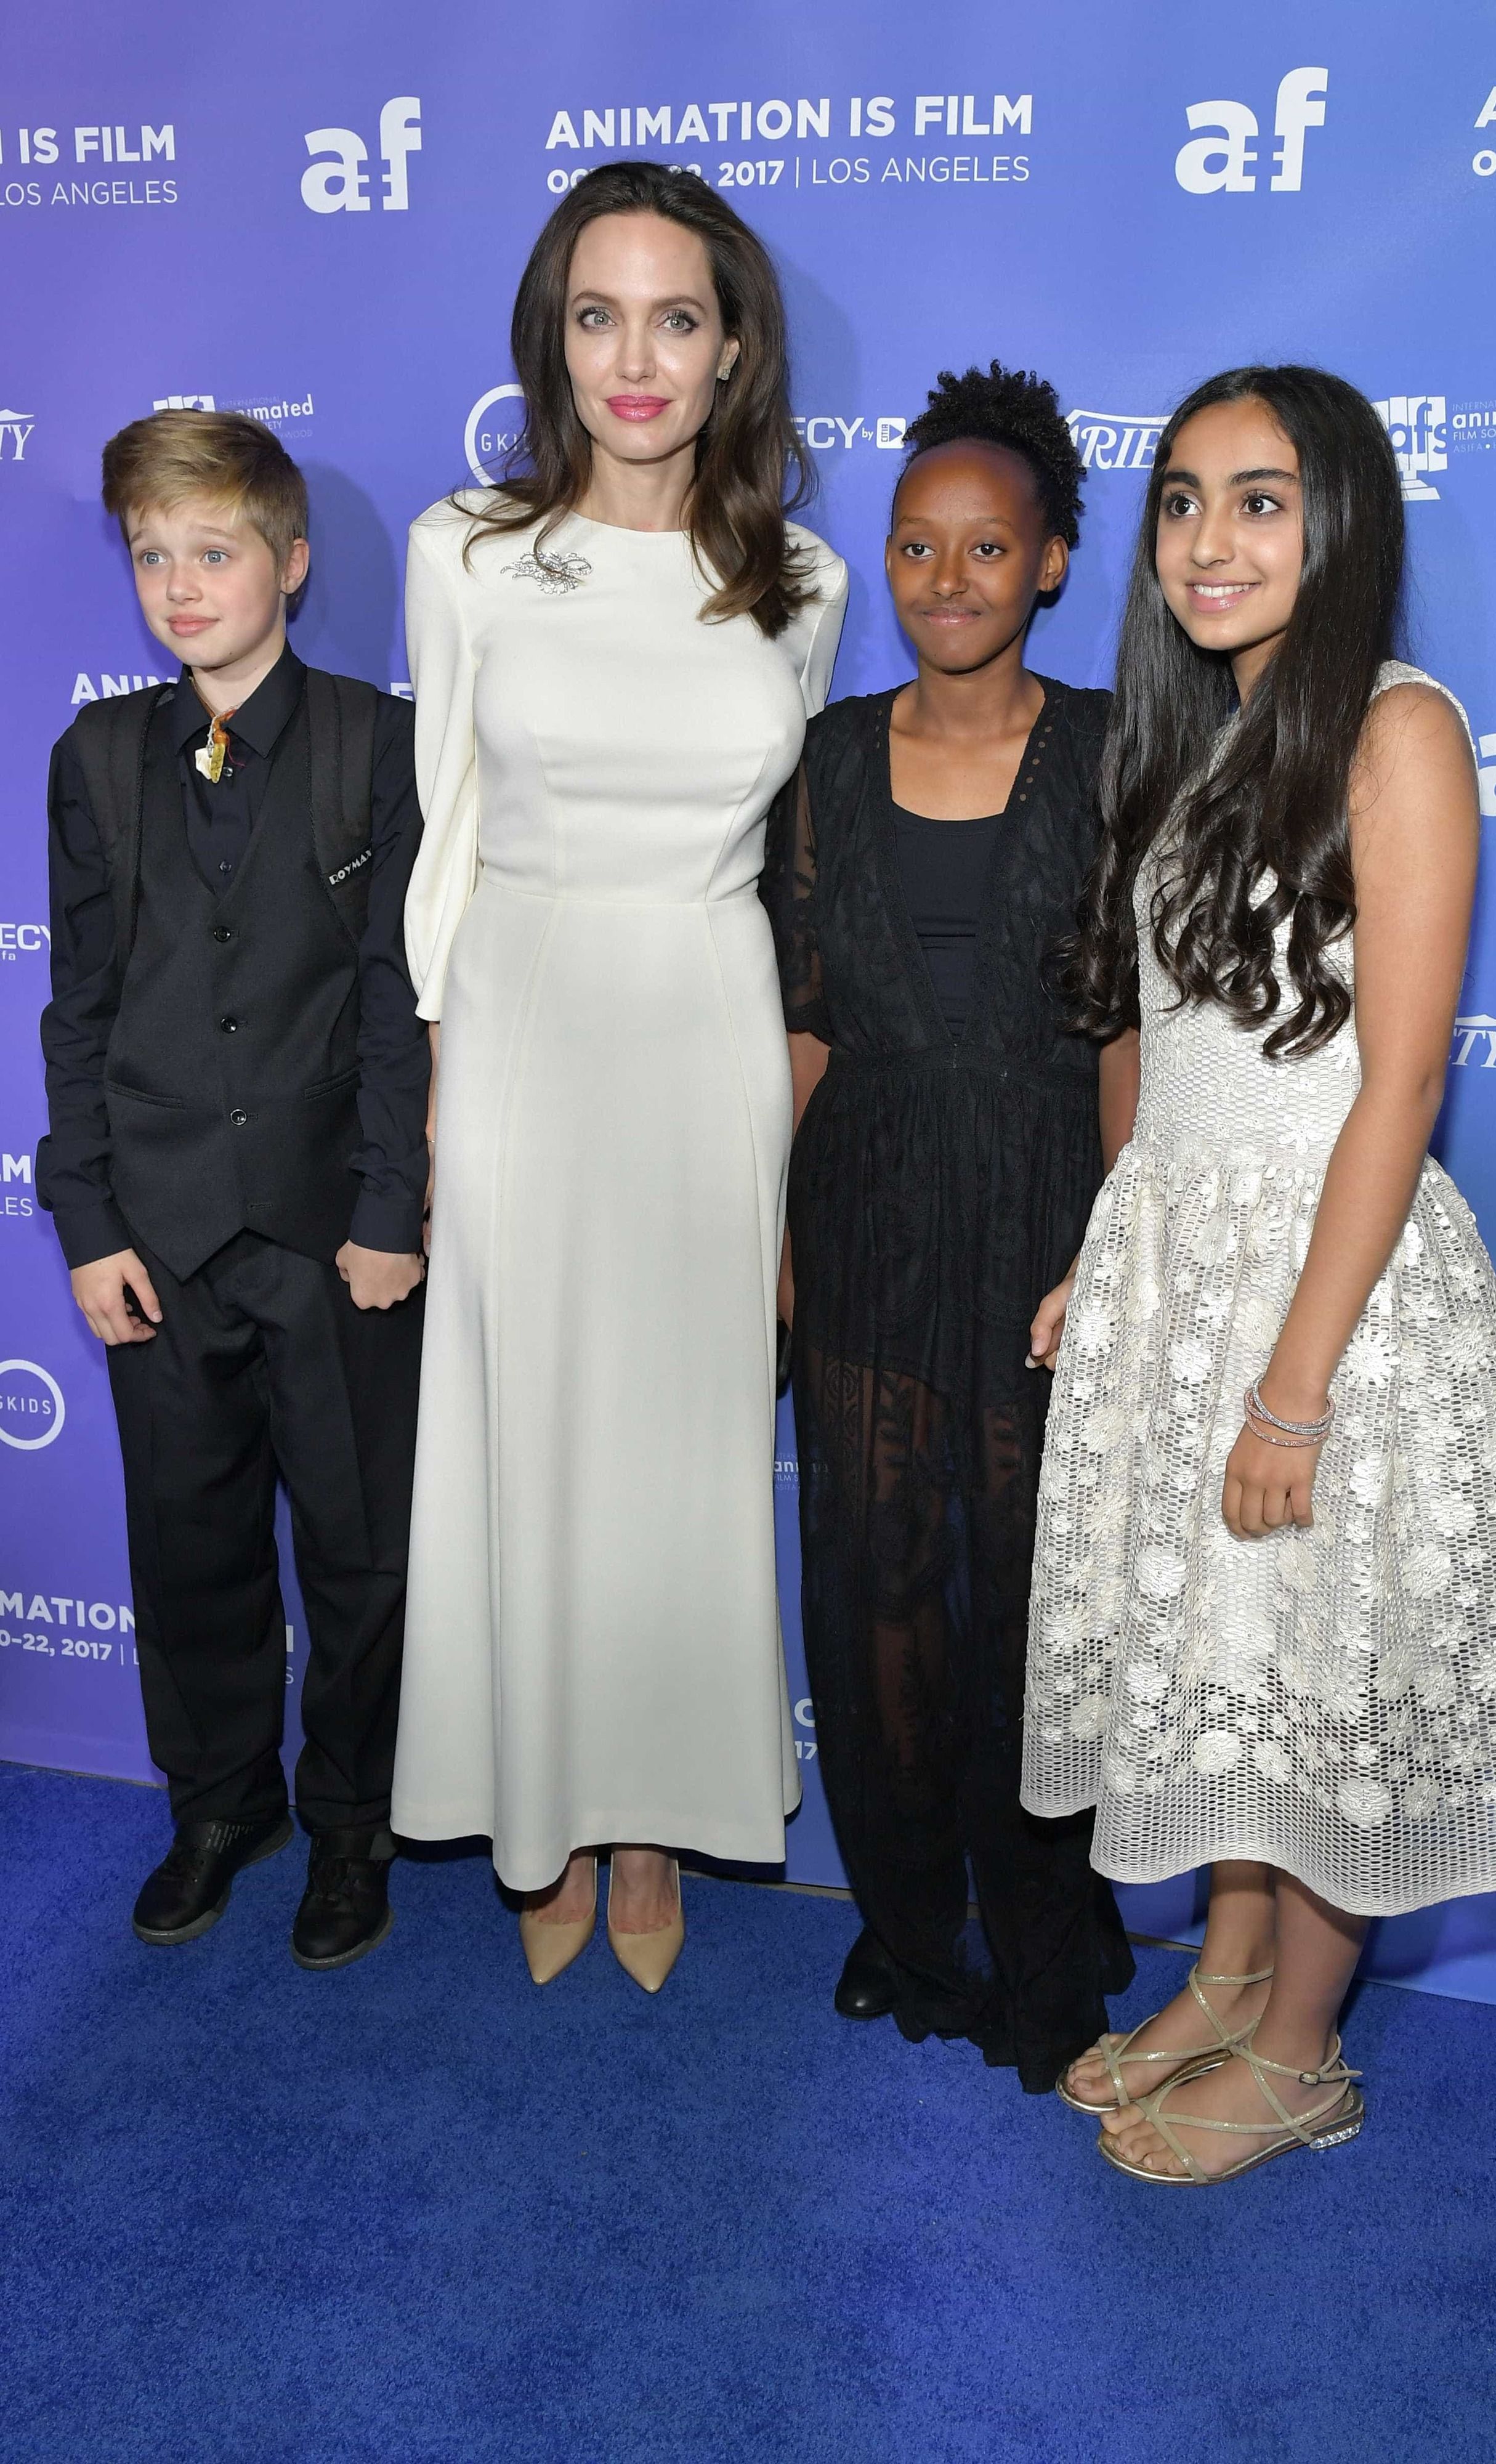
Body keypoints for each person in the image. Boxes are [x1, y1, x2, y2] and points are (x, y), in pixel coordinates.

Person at [1022, 365, 1496, 2180]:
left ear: (1342, 522)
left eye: (1260, 498)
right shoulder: (1186, 737)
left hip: (1333, 1285)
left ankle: (1308, 2047)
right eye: (1181, 499)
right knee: (1228, 1654)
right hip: (1190, 1268)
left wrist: (1290, 1385)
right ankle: (1231, 1975)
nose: (1211, 538)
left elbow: (1398, 1081)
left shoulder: (1395, 728)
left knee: (1324, 1667)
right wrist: (1120, 1266)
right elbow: (1145, 1034)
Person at [390, 163, 846, 1992]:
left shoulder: (799, 579)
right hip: (517, 1018)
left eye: (676, 318)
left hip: (705, 1025)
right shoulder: (464, 553)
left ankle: (652, 1819)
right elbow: (446, 829)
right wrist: (433, 1086)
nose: (635, 360)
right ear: (552, 339)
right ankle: (540, 1806)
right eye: (599, 317)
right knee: (524, 1432)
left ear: (733, 347)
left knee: (682, 1443)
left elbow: (791, 845)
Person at [761, 365, 1134, 2093]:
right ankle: (907, 1925)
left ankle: (1050, 1933)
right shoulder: (827, 758)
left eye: (989, 546)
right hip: (865, 1211)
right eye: (918, 546)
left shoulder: (1119, 755)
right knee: (878, 1593)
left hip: (1053, 1218)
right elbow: (806, 1014)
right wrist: (767, 1227)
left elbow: (1132, 1028)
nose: (950, 576)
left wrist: (1118, 1239)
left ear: (1051, 559)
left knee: (1035, 1606)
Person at [38, 409, 429, 1968]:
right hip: (160, 1235)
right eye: (154, 555)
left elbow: (405, 1002)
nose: (183, 584)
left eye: (216, 550)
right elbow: (76, 1004)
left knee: (356, 1548)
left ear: (291, 559)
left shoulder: (370, 747)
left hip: (333, 1238)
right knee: (185, 1540)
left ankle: (350, 1821)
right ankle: (220, 1802)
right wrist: (86, 1219)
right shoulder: (100, 758)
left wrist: (393, 1208)